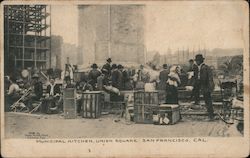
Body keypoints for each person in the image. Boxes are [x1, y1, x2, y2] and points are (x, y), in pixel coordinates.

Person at [193, 54, 215, 121]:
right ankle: (210, 114)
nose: (196, 62)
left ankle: (211, 116)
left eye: (197, 61)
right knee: (208, 100)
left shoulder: (203, 68)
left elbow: (204, 79)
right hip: (207, 86)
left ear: (199, 61)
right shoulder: (205, 67)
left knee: (208, 101)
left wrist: (198, 82)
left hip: (206, 86)